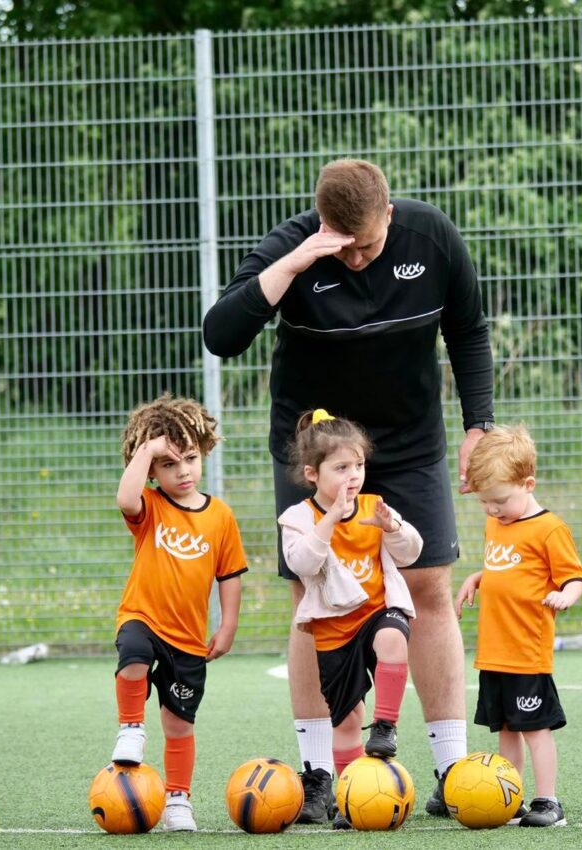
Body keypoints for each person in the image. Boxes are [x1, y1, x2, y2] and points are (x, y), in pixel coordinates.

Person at [203, 158, 494, 820]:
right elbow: (221, 334)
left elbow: (468, 331)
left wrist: (478, 425)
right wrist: (303, 258)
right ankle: (316, 776)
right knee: (315, 598)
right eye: (345, 243)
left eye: (368, 243)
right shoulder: (297, 246)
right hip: (319, 447)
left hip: (410, 441)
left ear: (390, 213)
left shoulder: (431, 236)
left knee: (428, 587)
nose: (358, 258)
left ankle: (450, 768)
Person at [279, 410, 423, 829]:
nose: (353, 475)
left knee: (394, 638)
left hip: (377, 611)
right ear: (313, 473)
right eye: (341, 467)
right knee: (345, 721)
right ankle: (350, 796)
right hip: (333, 630)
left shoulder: (373, 507)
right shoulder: (298, 517)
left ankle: (387, 727)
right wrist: (329, 519)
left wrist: (392, 526)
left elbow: (411, 552)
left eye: (358, 465)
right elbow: (302, 562)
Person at [111, 394, 247, 832]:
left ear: (203, 452)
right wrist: (146, 451)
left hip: (189, 639)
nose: (182, 470)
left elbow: (230, 576)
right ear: (153, 471)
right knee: (132, 656)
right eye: (168, 464)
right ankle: (131, 727)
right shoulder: (150, 506)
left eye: (189, 458)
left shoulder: (221, 516)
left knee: (178, 723)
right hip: (143, 616)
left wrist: (227, 626)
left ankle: (177, 800)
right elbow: (124, 498)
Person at [455, 425, 582, 827]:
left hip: (527, 652)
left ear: (528, 483)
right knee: (506, 731)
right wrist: (478, 578)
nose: (492, 510)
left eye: (499, 501)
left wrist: (567, 595)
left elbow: (575, 577)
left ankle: (548, 802)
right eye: (484, 503)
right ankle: (509, 798)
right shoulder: (498, 522)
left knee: (536, 729)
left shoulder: (549, 528)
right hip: (493, 651)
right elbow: (506, 566)